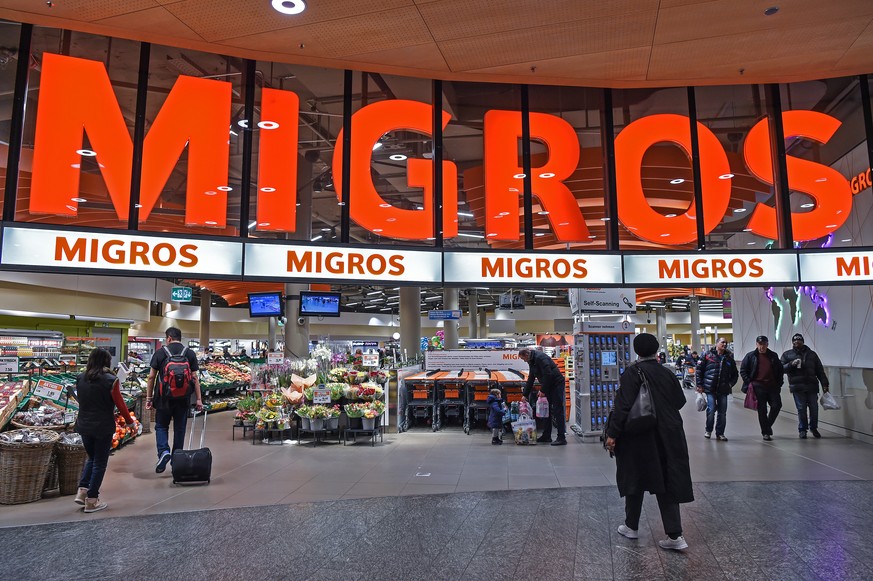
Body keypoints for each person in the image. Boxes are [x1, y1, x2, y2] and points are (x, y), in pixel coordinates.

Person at [604, 333, 693, 551]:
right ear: (656, 350)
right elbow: (680, 401)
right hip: (669, 434)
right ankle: (675, 536)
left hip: (640, 436)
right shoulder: (667, 373)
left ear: (636, 350)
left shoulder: (632, 373)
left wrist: (612, 434)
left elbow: (623, 407)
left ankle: (631, 526)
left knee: (634, 477)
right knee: (667, 480)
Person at [74, 348, 135, 513]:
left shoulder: (80, 378)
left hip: (84, 425)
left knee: (92, 458)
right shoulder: (111, 380)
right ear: (106, 362)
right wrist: (130, 422)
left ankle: (82, 491)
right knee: (100, 462)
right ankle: (92, 500)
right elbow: (120, 404)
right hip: (102, 426)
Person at [145, 327, 202, 474]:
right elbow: (195, 378)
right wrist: (199, 399)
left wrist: (149, 398)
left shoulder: (160, 353)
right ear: (180, 338)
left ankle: (164, 451)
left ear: (169, 338)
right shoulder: (189, 353)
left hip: (163, 398)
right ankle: (177, 461)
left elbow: (151, 377)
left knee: (161, 426)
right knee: (180, 429)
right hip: (183, 399)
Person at [780, 333, 830, 439]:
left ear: (803, 341)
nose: (797, 342)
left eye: (799, 340)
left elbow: (820, 371)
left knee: (814, 408)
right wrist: (791, 364)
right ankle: (802, 429)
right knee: (801, 408)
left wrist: (825, 384)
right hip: (797, 387)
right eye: (795, 341)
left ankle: (813, 427)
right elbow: (780, 368)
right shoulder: (787, 355)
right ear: (792, 342)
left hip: (812, 386)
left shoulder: (812, 355)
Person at [740, 335, 784, 441]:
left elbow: (780, 370)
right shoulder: (751, 356)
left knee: (777, 405)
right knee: (762, 410)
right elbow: (743, 370)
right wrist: (750, 383)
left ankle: (767, 426)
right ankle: (766, 432)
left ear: (767, 344)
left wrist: (779, 384)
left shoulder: (773, 355)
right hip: (758, 386)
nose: (762, 347)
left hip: (772, 386)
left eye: (764, 344)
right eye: (760, 344)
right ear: (756, 344)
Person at [519, 347, 567, 445]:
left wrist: (543, 390)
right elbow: (531, 378)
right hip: (548, 385)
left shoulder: (540, 358)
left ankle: (561, 437)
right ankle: (546, 435)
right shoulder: (531, 361)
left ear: (527, 355)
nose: (524, 361)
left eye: (523, 358)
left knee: (558, 410)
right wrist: (525, 394)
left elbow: (548, 374)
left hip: (556, 384)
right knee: (546, 410)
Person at [696, 337, 739, 441]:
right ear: (716, 343)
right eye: (722, 342)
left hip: (723, 390)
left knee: (722, 412)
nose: (724, 344)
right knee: (711, 409)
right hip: (709, 388)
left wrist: (730, 385)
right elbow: (699, 371)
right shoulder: (707, 355)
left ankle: (720, 433)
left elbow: (735, 375)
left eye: (726, 342)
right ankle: (708, 430)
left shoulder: (729, 358)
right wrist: (699, 385)